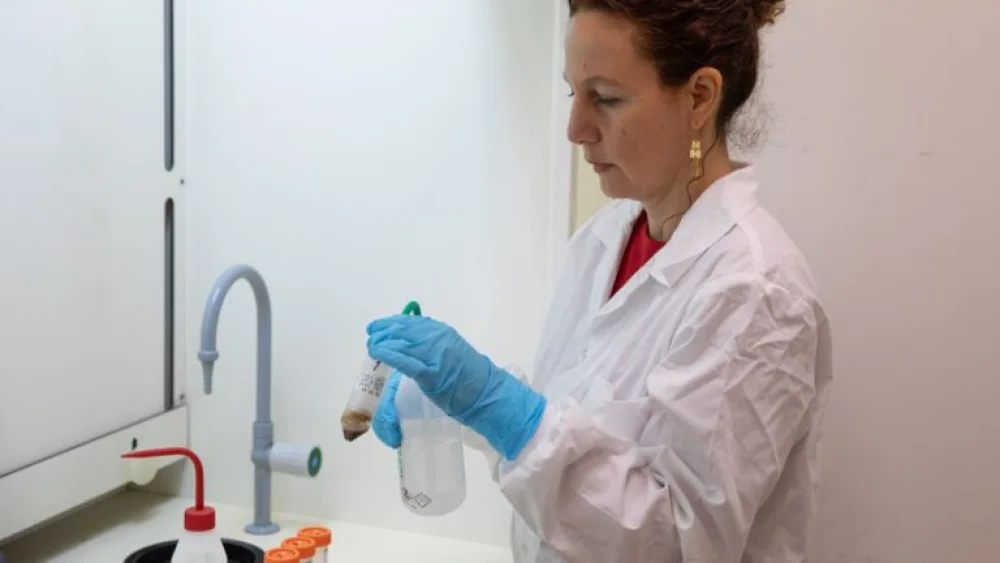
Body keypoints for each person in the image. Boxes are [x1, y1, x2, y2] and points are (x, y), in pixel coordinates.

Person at [365, 0, 832, 561]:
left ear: (700, 97)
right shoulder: (603, 238)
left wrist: (499, 407)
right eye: (573, 93)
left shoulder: (755, 290)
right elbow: (571, 431)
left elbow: (678, 542)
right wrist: (458, 403)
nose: (575, 129)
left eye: (605, 98)